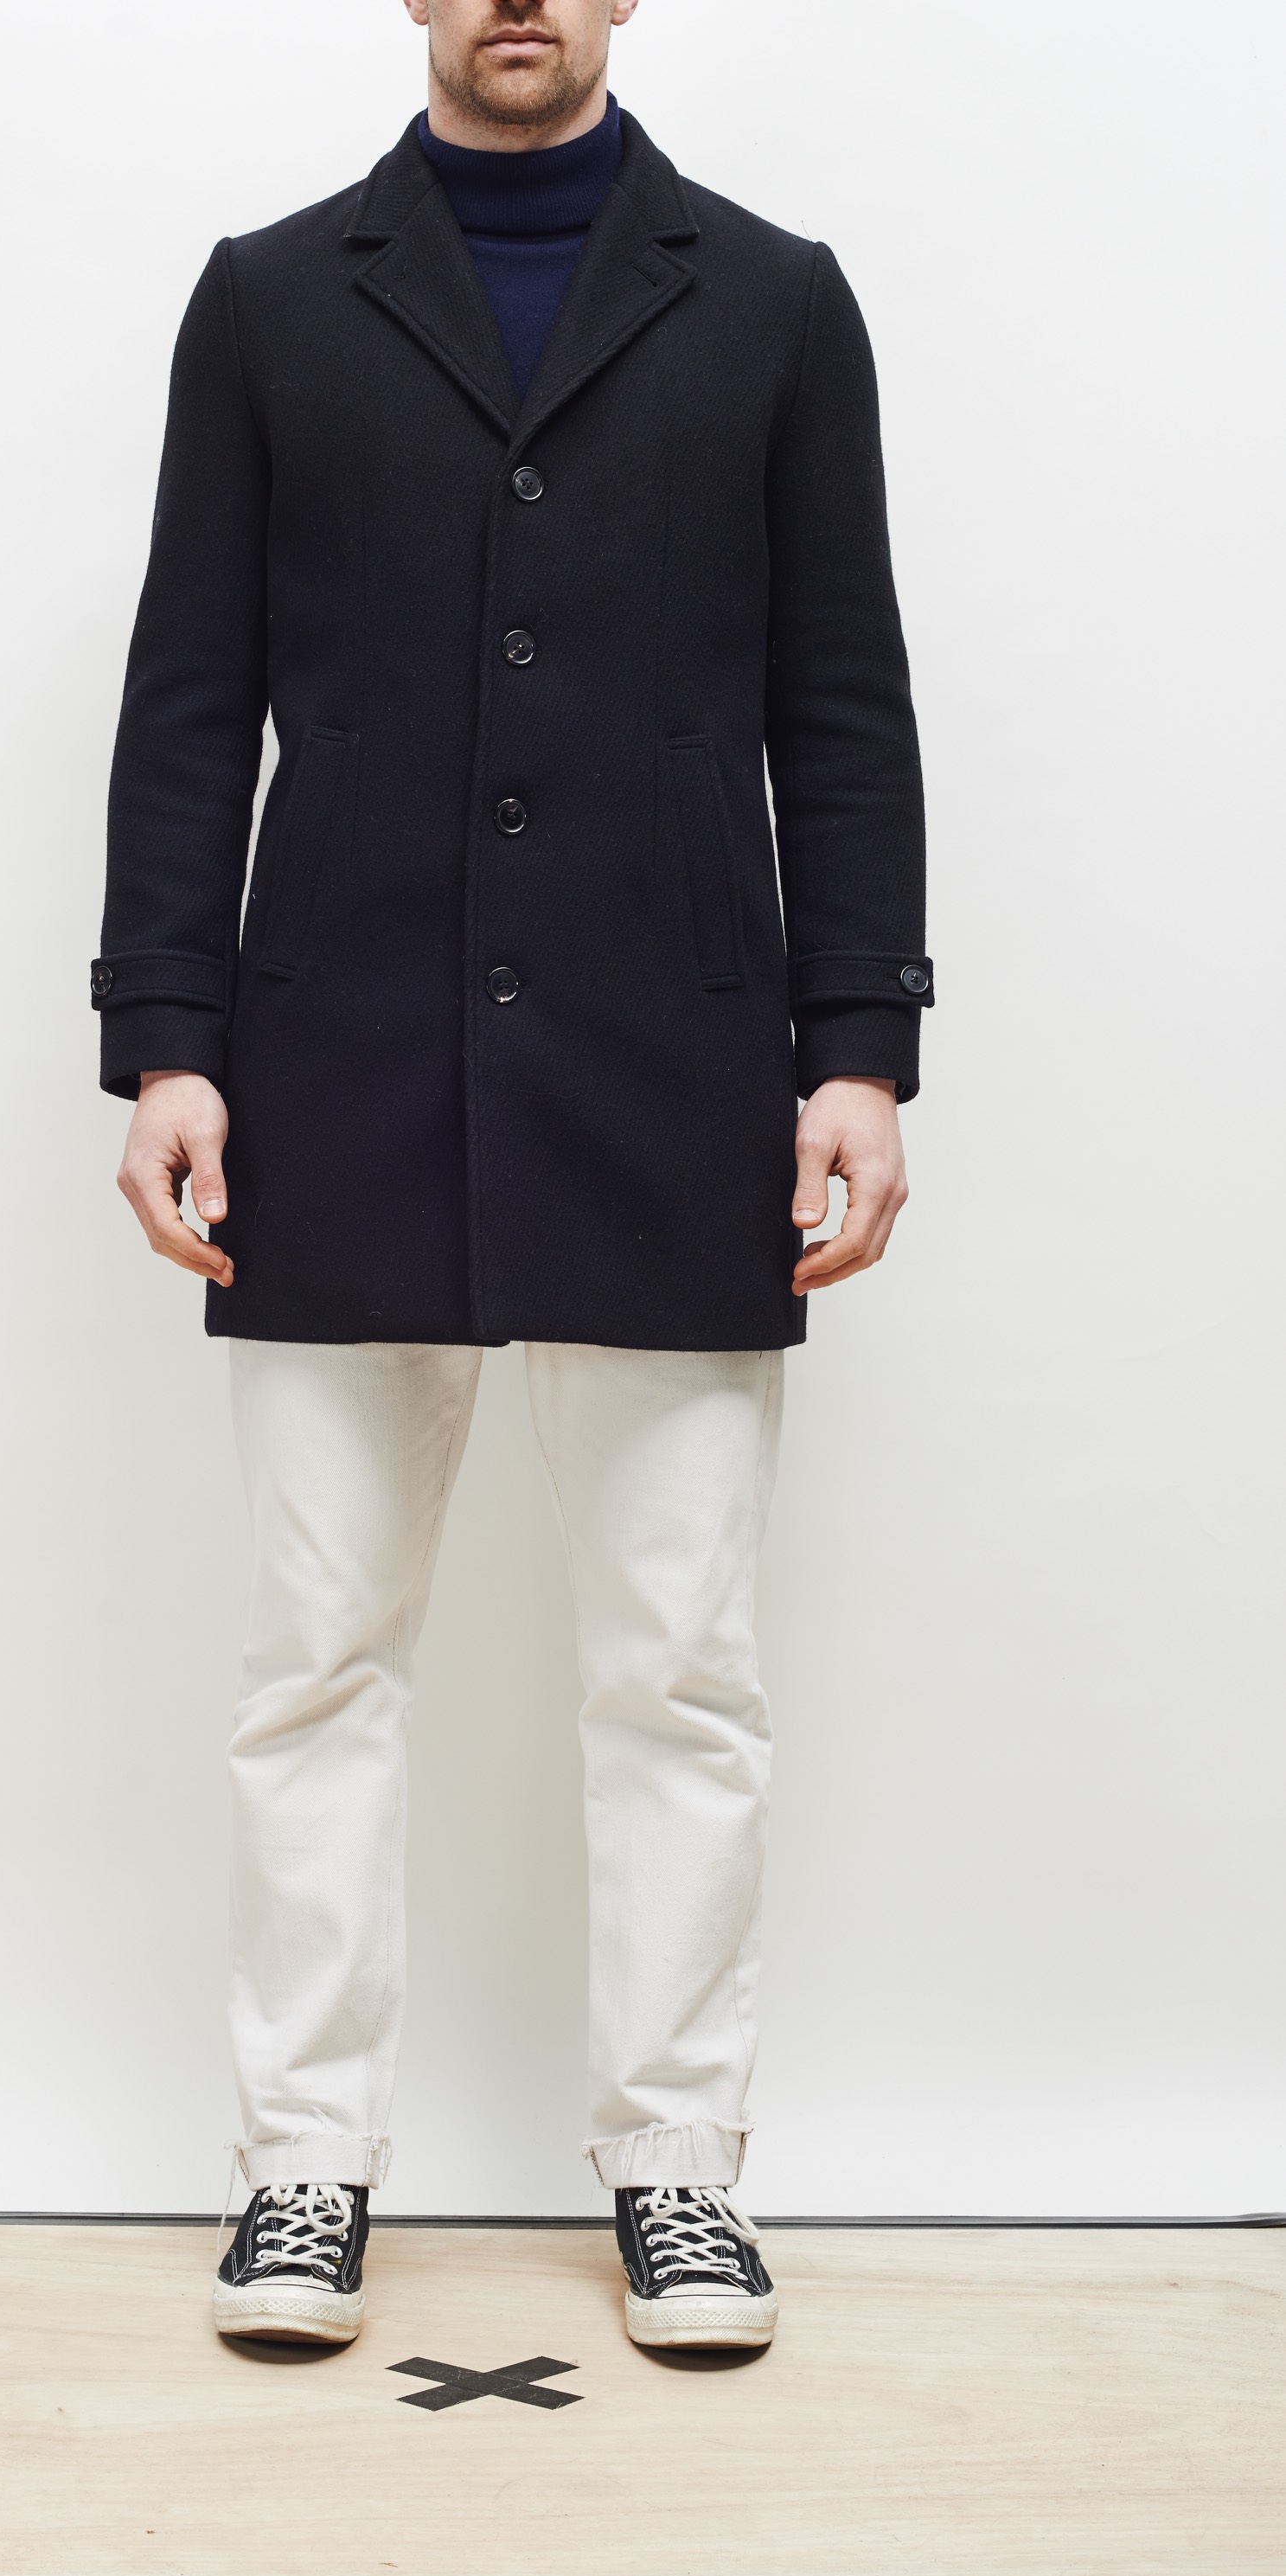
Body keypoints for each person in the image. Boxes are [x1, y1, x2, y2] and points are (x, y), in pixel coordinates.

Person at [94, 0, 930, 2353]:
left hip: (675, 1069)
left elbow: (840, 700)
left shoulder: (773, 301)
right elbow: (189, 692)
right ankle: (301, 2167)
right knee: (314, 1663)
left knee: (681, 1671)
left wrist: (856, 1050)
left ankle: (678, 2165)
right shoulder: (272, 297)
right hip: (333, 1057)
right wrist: (167, 1037)